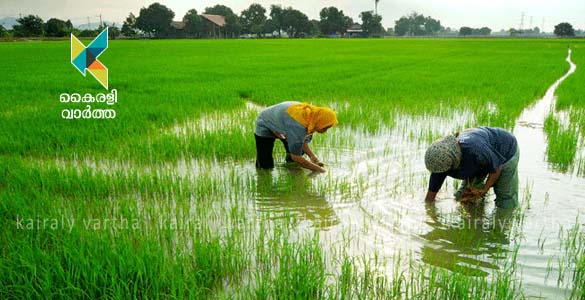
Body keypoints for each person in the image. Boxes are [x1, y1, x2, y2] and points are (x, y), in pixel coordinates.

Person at [424, 127, 520, 208]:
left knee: (505, 197)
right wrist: (429, 209)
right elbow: (432, 192)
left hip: (506, 151)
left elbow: (497, 168)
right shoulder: (441, 161)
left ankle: (504, 223)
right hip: (480, 158)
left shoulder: (475, 150)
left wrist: (483, 191)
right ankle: (476, 219)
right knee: (465, 197)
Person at [254, 101, 338, 172]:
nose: (325, 131)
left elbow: (302, 141)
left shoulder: (312, 118)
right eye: (325, 127)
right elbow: (296, 157)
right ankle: (263, 179)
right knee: (265, 164)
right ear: (320, 121)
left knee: (297, 153)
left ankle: (291, 169)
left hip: (284, 122)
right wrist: (320, 170)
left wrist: (313, 157)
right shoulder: (298, 125)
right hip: (265, 123)